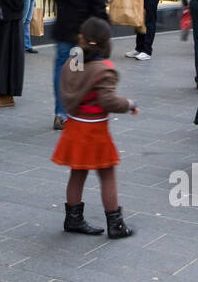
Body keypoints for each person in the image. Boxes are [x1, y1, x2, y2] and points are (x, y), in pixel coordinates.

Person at [51, 17, 137, 239]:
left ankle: (73, 219)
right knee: (107, 174)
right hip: (94, 131)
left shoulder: (73, 62)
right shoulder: (103, 70)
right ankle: (115, 224)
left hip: (74, 126)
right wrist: (128, 104)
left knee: (77, 173)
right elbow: (108, 101)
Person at [47, 0, 108, 129]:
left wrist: (65, 4)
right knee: (85, 68)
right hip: (86, 26)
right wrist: (102, 22)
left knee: (62, 68)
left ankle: (61, 112)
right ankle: (81, 111)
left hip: (65, 21)